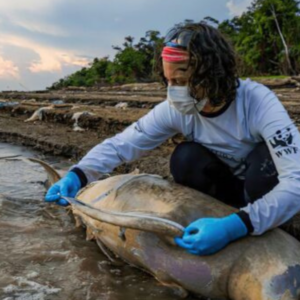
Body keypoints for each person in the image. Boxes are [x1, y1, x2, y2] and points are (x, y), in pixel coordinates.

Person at [45, 22, 300, 256]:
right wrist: (78, 174)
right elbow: (123, 144)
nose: (174, 91)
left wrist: (236, 226)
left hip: (259, 186)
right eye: (169, 81)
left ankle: (257, 222)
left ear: (213, 75)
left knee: (266, 161)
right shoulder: (176, 109)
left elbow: (296, 181)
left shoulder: (258, 103)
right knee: (185, 157)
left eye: (182, 81)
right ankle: (217, 218)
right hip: (225, 189)